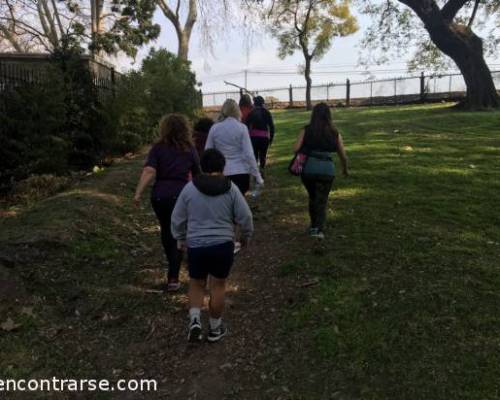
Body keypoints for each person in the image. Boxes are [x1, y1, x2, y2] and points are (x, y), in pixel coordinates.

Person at [171, 149, 254, 343]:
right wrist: (245, 236)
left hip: (196, 246)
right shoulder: (230, 188)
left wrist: (180, 238)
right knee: (218, 285)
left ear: (202, 166)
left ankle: (194, 321)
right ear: (223, 167)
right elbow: (246, 217)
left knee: (196, 283)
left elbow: (177, 218)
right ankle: (215, 329)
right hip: (222, 245)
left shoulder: (190, 188)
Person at [134, 114, 200, 291]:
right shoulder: (189, 148)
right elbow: (198, 175)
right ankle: (173, 276)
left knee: (167, 231)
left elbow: (149, 171)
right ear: (185, 129)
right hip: (181, 196)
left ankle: (173, 267)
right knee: (179, 234)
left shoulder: (157, 148)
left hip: (160, 197)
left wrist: (138, 193)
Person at [293, 103, 348, 240]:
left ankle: (313, 226)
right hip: (327, 171)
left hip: (308, 170)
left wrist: (307, 149)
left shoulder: (306, 130)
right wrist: (345, 169)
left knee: (313, 197)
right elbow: (343, 155)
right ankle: (318, 229)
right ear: (329, 115)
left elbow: (295, 148)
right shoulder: (335, 133)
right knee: (322, 200)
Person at [205, 98, 263, 195]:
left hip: (221, 173)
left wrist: (208, 173)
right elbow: (249, 154)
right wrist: (257, 175)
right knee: (238, 203)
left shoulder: (214, 128)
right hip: (241, 173)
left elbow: (208, 152)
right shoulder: (242, 128)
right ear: (237, 111)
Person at [246, 96, 275, 174]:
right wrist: (271, 138)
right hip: (264, 138)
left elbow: (247, 126)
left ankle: (256, 172)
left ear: (254, 103)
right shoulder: (267, 112)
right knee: (263, 155)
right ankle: (262, 170)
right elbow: (271, 126)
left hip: (253, 138)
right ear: (263, 103)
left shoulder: (251, 113)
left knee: (255, 155)